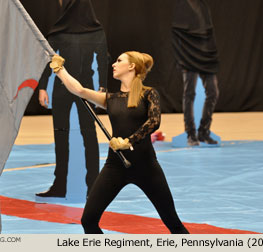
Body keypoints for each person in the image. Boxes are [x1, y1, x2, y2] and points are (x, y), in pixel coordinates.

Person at [49, 51, 189, 234]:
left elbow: (154, 122)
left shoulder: (149, 94)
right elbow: (80, 90)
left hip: (146, 167)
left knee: (173, 222)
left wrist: (128, 141)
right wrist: (60, 70)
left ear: (131, 66)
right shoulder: (111, 99)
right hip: (115, 167)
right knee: (88, 220)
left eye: (119, 60)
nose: (114, 64)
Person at [36, 0, 108, 198]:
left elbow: (103, 59)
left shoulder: (95, 31)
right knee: (62, 136)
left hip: (85, 89)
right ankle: (60, 184)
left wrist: (103, 88)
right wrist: (42, 87)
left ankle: (94, 185)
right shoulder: (58, 33)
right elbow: (49, 61)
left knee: (89, 135)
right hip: (64, 89)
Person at [171, 0, 219, 146]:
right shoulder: (182, 5)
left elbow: (208, 30)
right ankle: (191, 134)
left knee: (213, 92)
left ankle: (204, 132)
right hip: (188, 54)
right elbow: (177, 31)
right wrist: (181, 56)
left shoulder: (203, 6)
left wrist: (211, 53)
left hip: (205, 54)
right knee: (189, 94)